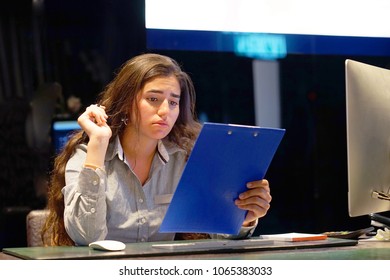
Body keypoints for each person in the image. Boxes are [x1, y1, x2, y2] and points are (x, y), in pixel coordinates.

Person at [42, 53, 272, 246]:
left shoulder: (183, 159)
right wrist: (99, 144)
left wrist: (243, 219)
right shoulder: (87, 155)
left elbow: (217, 232)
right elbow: (86, 237)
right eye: (153, 98)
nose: (165, 111)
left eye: (173, 102)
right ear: (126, 101)